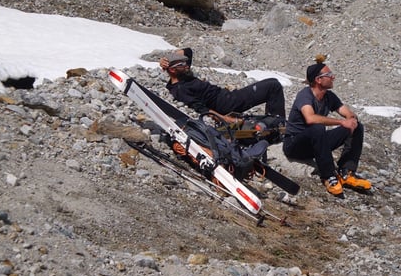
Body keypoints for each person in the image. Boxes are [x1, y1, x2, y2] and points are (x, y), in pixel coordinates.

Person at [282, 59, 371, 197]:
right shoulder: (305, 96)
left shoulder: (329, 96)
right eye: (329, 75)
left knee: (357, 126)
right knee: (317, 128)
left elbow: (347, 113)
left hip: (316, 144)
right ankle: (328, 176)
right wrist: (341, 122)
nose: (333, 77)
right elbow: (310, 118)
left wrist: (351, 120)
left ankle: (346, 172)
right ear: (318, 80)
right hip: (295, 145)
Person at [159, 48, 286, 125]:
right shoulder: (180, 89)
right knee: (273, 85)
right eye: (182, 64)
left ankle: (274, 123)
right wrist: (227, 119)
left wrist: (166, 59)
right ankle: (279, 125)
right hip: (227, 103)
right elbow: (202, 109)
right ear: (173, 70)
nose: (187, 65)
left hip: (227, 96)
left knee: (272, 83)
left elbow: (188, 51)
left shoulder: (183, 74)